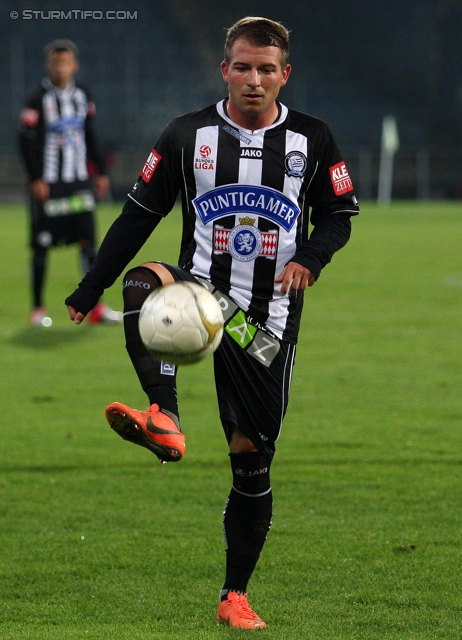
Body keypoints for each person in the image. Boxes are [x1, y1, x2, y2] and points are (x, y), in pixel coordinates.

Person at [65, 17, 359, 629]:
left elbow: (339, 214)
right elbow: (137, 216)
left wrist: (310, 254)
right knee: (145, 282)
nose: (255, 80)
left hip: (263, 325)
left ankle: (234, 595)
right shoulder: (186, 135)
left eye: (267, 69)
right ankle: (165, 416)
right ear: (224, 69)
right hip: (200, 291)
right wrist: (91, 285)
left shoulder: (314, 139)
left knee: (250, 459)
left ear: (285, 75)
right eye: (244, 67)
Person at [18, 39, 121, 326]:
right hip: (49, 185)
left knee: (88, 244)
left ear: (74, 65)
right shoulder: (37, 99)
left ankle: (95, 308)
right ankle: (37, 309)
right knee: (42, 245)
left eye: (65, 63)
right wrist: (35, 178)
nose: (61, 68)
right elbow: (24, 141)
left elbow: (90, 135)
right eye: (55, 63)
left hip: (78, 183)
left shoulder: (83, 95)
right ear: (48, 66)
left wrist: (100, 172)